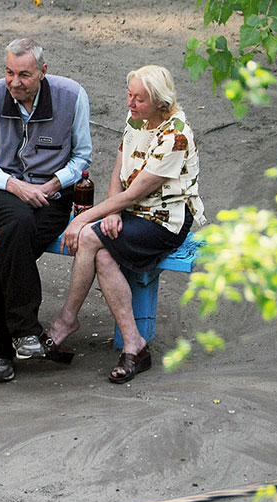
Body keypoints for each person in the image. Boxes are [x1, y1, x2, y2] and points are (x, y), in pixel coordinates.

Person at [45, 65, 206, 383]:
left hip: (164, 219)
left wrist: (83, 219)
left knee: (89, 238)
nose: (130, 103)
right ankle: (135, 345)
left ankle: (65, 322)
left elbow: (135, 192)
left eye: (139, 99)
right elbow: (119, 175)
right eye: (129, 95)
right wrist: (112, 213)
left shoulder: (175, 136)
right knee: (104, 256)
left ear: (160, 102)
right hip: (132, 211)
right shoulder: (136, 120)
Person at [0, 38, 92, 383]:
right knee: (18, 224)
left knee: (9, 249)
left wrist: (53, 184)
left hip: (53, 193)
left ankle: (0, 350)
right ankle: (25, 331)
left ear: (43, 72)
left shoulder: (72, 96)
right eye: (9, 72)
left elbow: (82, 156)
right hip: (0, 188)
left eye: (24, 75)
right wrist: (13, 185)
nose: (14, 82)